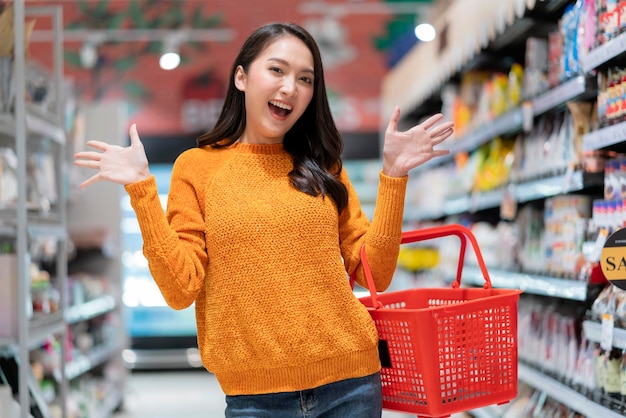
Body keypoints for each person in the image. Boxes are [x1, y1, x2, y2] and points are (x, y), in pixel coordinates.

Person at [74, 22, 453, 418]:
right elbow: (180, 288)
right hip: (255, 401)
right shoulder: (197, 168)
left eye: (305, 79)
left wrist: (393, 177)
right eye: (277, 70)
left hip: (351, 386)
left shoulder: (324, 166)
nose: (291, 87)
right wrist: (142, 190)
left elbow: (377, 271)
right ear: (241, 76)